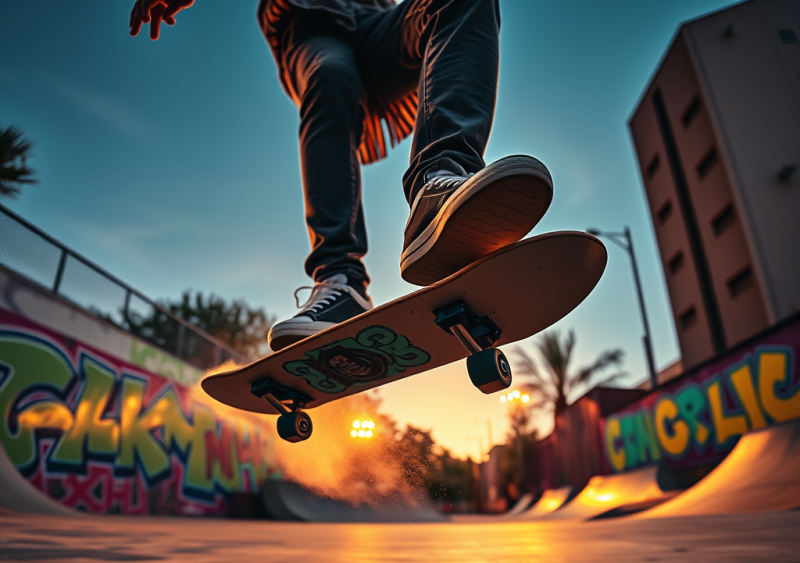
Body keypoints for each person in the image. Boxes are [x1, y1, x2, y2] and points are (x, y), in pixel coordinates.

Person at [130, 0, 553, 351]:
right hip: (310, 26)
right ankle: (339, 279)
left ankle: (437, 189)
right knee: (330, 75)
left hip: (375, 26)